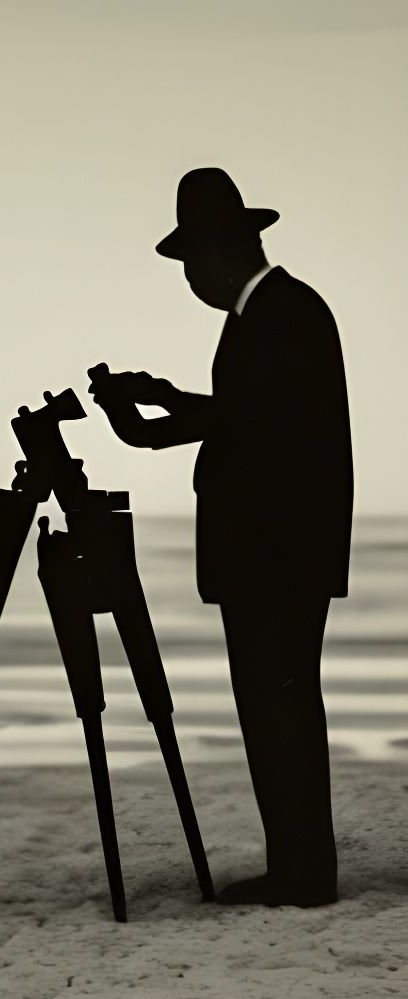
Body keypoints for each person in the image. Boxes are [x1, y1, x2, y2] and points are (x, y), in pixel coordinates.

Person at [87, 167, 353, 907]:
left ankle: (303, 874)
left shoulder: (283, 314)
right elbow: (247, 413)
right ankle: (298, 867)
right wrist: (159, 405)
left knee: (279, 711)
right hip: (275, 556)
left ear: (219, 254)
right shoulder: (271, 315)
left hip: (277, 558)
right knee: (277, 710)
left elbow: (249, 421)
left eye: (190, 263)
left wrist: (155, 417)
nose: (189, 279)